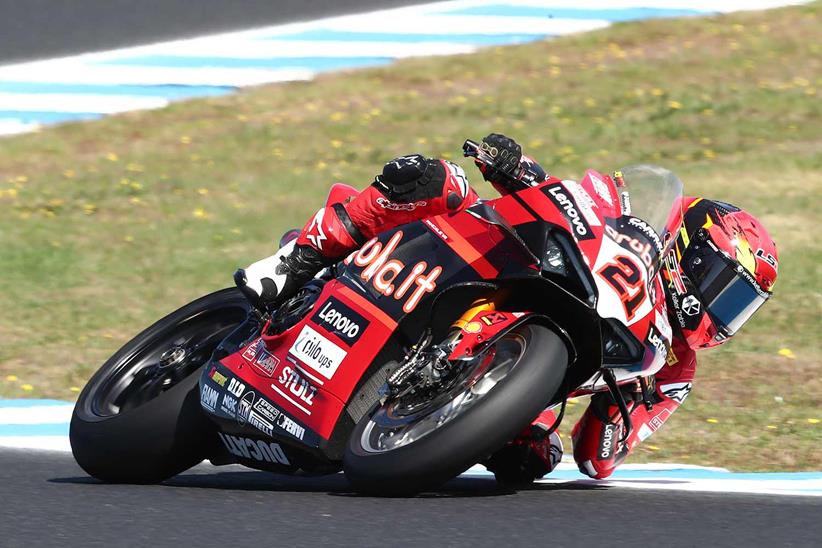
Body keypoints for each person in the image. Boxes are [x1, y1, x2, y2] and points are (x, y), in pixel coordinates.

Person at [234, 134, 779, 484]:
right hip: (494, 266)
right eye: (725, 291)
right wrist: (517, 167)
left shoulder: (675, 369)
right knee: (433, 179)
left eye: (741, 307)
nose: (724, 313)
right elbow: (566, 201)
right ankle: (293, 261)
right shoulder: (630, 222)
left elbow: (597, 457)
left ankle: (427, 414)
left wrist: (620, 412)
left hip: (524, 376)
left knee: (534, 457)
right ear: (690, 254)